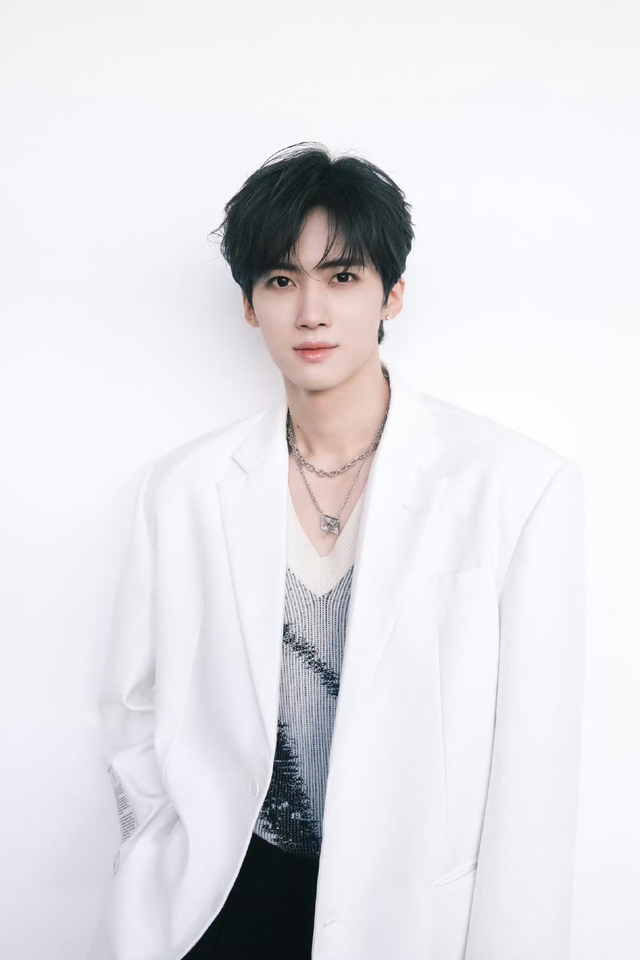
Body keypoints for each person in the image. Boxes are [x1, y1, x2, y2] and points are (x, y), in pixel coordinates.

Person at [88, 142, 586, 960]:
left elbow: (534, 778)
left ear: (393, 293)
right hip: (218, 908)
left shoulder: (514, 487)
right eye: (282, 280)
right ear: (250, 305)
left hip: (408, 918)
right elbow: (130, 703)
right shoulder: (183, 488)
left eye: (343, 276)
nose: (311, 311)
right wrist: (160, 845)